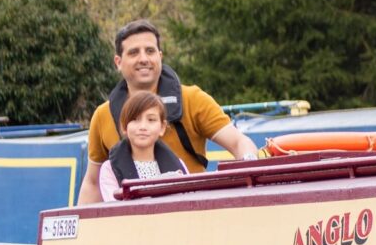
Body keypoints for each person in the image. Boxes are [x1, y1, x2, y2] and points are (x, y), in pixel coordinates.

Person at [78, 19, 259, 205]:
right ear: (118, 62)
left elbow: (239, 142)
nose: (143, 59)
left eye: (150, 51)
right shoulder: (102, 115)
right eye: (133, 52)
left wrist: (250, 167)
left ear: (160, 56)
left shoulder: (193, 100)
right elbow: (92, 183)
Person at [97, 91, 189, 200]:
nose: (143, 126)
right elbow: (114, 208)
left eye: (151, 120)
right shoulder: (109, 169)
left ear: (162, 127)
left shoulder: (179, 165)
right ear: (124, 126)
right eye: (135, 119)